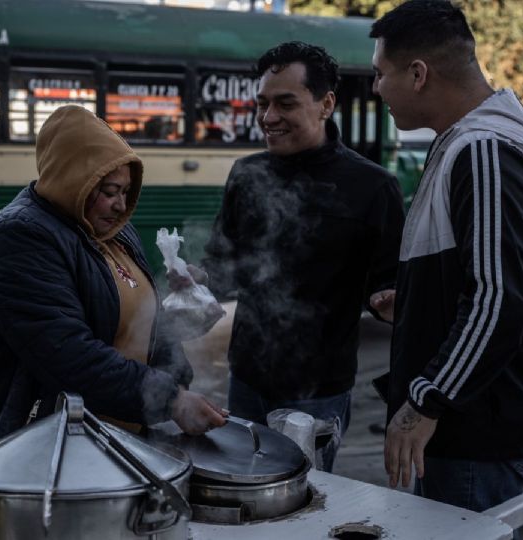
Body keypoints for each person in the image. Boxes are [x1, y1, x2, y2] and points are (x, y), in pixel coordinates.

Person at [370, 0, 523, 513]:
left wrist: (425, 401)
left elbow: (498, 297)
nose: (377, 88)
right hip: (487, 421)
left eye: (381, 74)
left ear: (418, 74)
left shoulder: (484, 150)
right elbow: (492, 277)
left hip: (481, 430)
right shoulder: (476, 141)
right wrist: (423, 302)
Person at [0, 105, 226, 449]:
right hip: (35, 443)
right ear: (72, 180)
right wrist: (170, 400)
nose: (120, 205)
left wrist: (184, 316)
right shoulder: (17, 237)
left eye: (126, 193)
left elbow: (135, 325)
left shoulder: (115, 233)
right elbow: (66, 351)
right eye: (110, 192)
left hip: (117, 436)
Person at [200, 41, 405, 472]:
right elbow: (221, 268)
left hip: (319, 390)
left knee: (303, 504)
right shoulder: (247, 173)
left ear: (326, 103)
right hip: (247, 378)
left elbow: (389, 283)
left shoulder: (372, 187)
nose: (268, 118)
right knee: (245, 493)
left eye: (285, 103)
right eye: (262, 104)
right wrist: (192, 283)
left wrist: (388, 299)